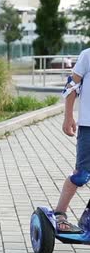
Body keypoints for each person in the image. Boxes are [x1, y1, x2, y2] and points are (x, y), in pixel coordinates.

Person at [54, 47, 90, 232]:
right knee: (82, 174)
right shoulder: (87, 55)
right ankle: (60, 212)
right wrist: (68, 116)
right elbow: (71, 86)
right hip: (88, 126)